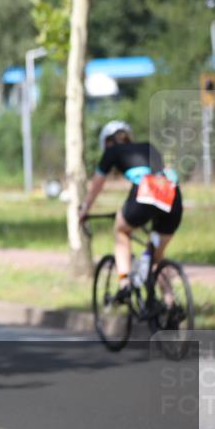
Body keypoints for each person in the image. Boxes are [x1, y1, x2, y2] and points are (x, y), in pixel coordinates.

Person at [79, 121, 183, 319]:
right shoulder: (148, 147)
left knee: (121, 230)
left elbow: (96, 186)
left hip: (146, 192)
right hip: (173, 193)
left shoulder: (112, 151)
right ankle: (170, 304)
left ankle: (124, 284)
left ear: (107, 142)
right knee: (156, 258)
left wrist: (84, 210)